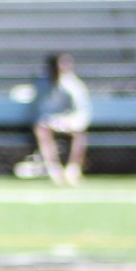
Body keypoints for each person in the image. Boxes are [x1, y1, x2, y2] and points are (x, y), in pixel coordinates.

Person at [32, 52, 91, 184]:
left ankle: (73, 169)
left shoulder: (74, 84)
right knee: (42, 130)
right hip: (49, 121)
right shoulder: (42, 83)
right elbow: (39, 109)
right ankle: (53, 169)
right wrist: (51, 120)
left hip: (68, 121)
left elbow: (81, 111)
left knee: (79, 133)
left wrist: (67, 121)